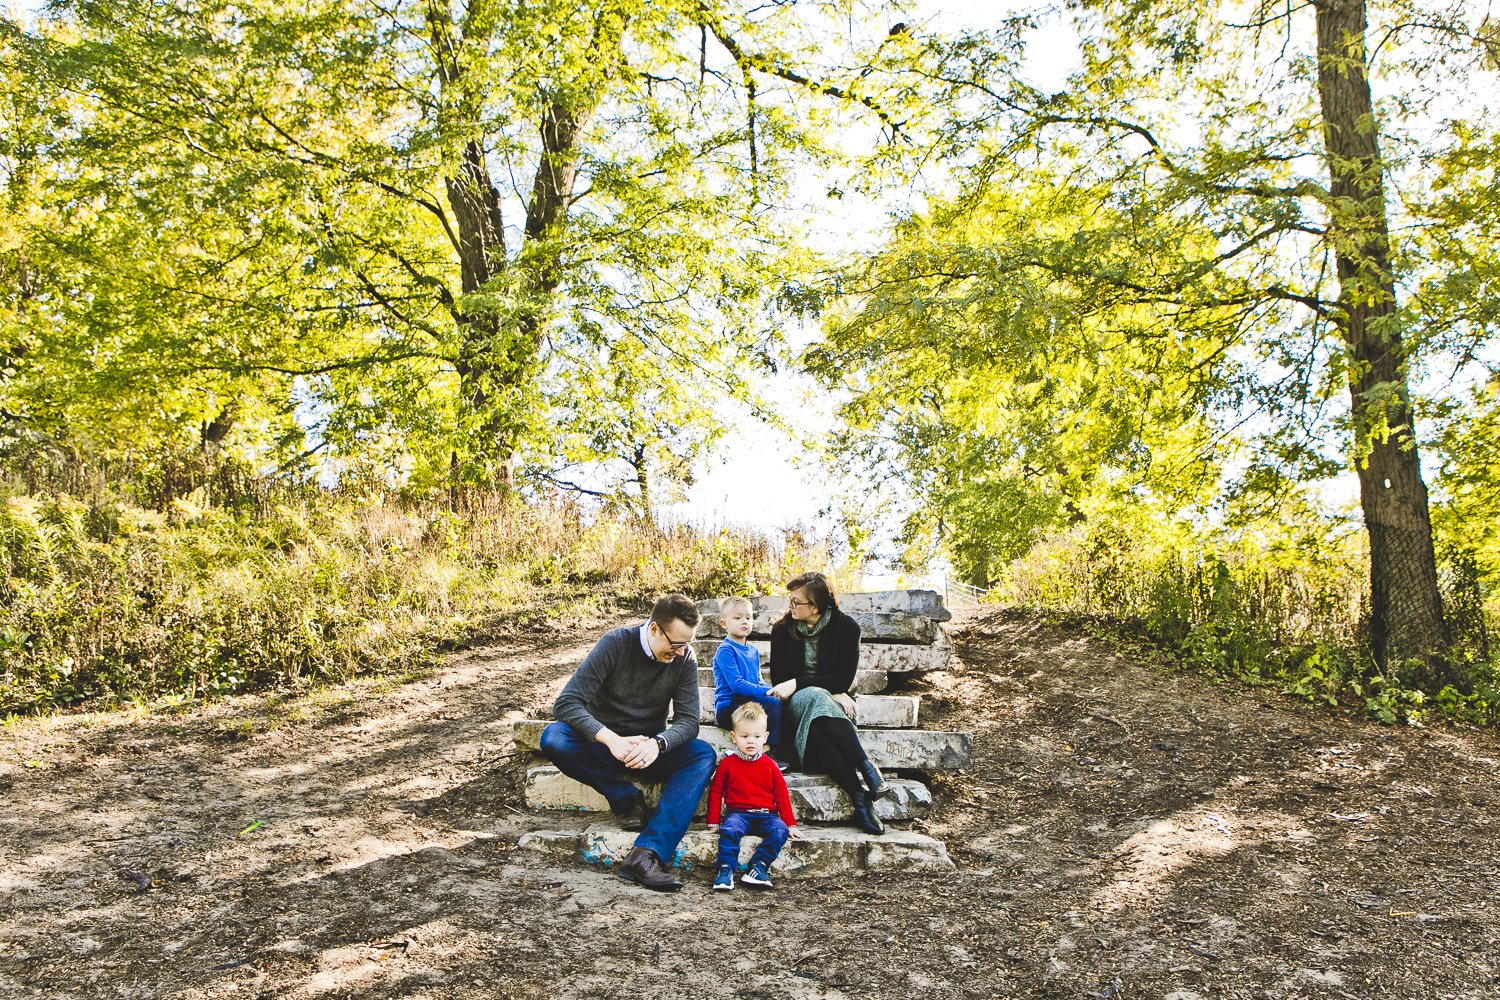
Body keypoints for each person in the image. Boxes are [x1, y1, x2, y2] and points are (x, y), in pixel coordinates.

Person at [539, 593, 717, 892]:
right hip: (602, 746)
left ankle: (647, 854)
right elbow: (567, 703)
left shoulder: (684, 658)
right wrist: (611, 739)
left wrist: (658, 744)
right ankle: (625, 799)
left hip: (649, 749)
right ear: (653, 629)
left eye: (687, 644)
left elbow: (688, 722)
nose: (681, 651)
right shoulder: (615, 643)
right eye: (675, 644)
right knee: (554, 737)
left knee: (702, 755)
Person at [768, 572, 892, 835]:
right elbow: (781, 682)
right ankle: (867, 768)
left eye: (796, 602)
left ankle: (859, 799)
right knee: (815, 697)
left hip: (835, 710)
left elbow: (844, 678)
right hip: (795, 703)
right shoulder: (781, 631)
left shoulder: (847, 628)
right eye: (790, 600)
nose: (790, 606)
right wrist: (825, 688)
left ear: (815, 606)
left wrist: (831, 689)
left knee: (820, 728)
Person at [706, 701, 803, 891]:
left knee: (779, 830)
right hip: (738, 814)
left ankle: (759, 866)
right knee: (730, 830)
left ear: (765, 737)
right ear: (734, 737)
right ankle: (725, 870)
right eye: (745, 736)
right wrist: (713, 822)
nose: (751, 741)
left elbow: (781, 794)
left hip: (767, 815)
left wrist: (790, 823)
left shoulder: (770, 765)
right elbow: (716, 792)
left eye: (757, 736)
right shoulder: (728, 764)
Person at [711, 596, 787, 769]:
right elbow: (737, 684)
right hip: (729, 707)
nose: (744, 622)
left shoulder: (752, 650)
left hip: (748, 703)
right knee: (772, 704)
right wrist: (766, 693)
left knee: (781, 703)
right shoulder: (725, 650)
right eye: (737, 618)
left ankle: (785, 751)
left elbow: (758, 680)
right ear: (724, 624)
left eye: (748, 617)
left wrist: (771, 689)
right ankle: (765, 754)